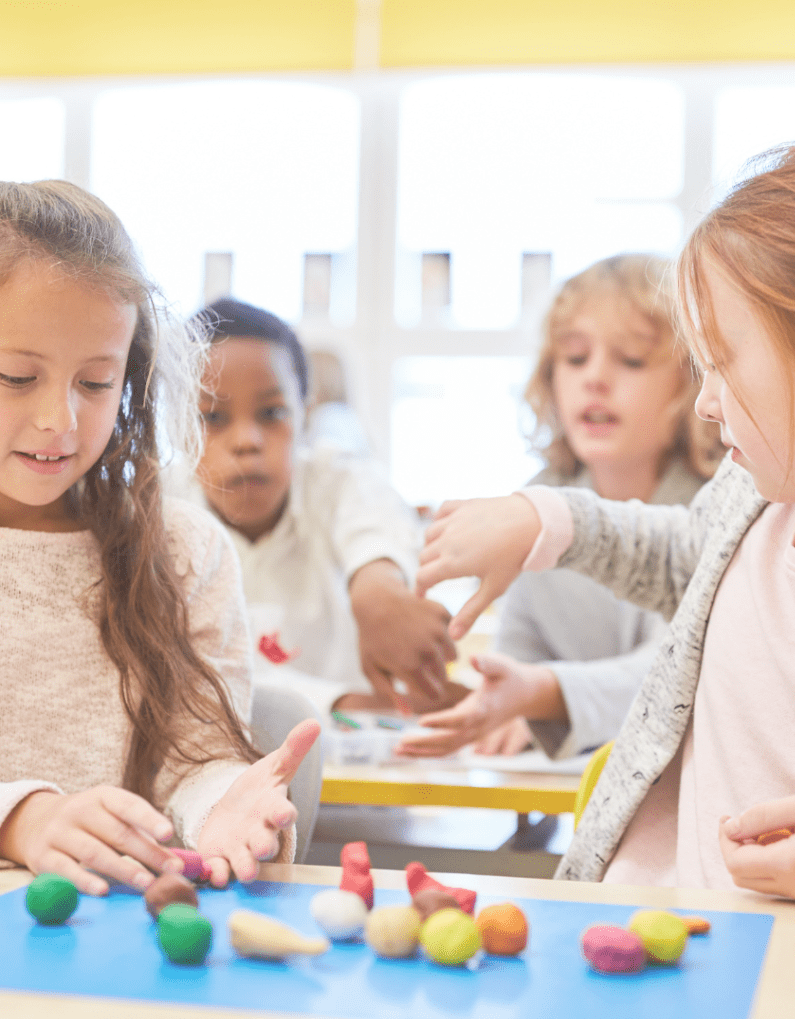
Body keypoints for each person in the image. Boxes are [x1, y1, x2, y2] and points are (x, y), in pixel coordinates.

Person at [414, 137, 795, 917]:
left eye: (723, 364)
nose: (705, 403)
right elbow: (681, 560)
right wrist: (546, 517)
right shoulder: (754, 495)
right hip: (644, 933)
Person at [0, 180, 319, 896]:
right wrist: (21, 819)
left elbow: (194, 763)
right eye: (16, 376)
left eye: (96, 382)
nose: (61, 418)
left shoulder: (183, 551)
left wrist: (224, 802)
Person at [396, 254, 724, 759]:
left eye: (632, 360)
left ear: (692, 381)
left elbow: (677, 670)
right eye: (574, 358)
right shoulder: (539, 501)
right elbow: (520, 646)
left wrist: (542, 695)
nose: (595, 378)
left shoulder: (713, 507)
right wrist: (497, 697)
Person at [188, 298, 462, 718]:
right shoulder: (159, 515)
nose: (247, 440)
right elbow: (199, 677)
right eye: (213, 416)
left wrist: (379, 592)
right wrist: (347, 705)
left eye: (271, 413)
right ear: (176, 421)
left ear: (305, 411)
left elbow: (375, 520)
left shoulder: (336, 480)